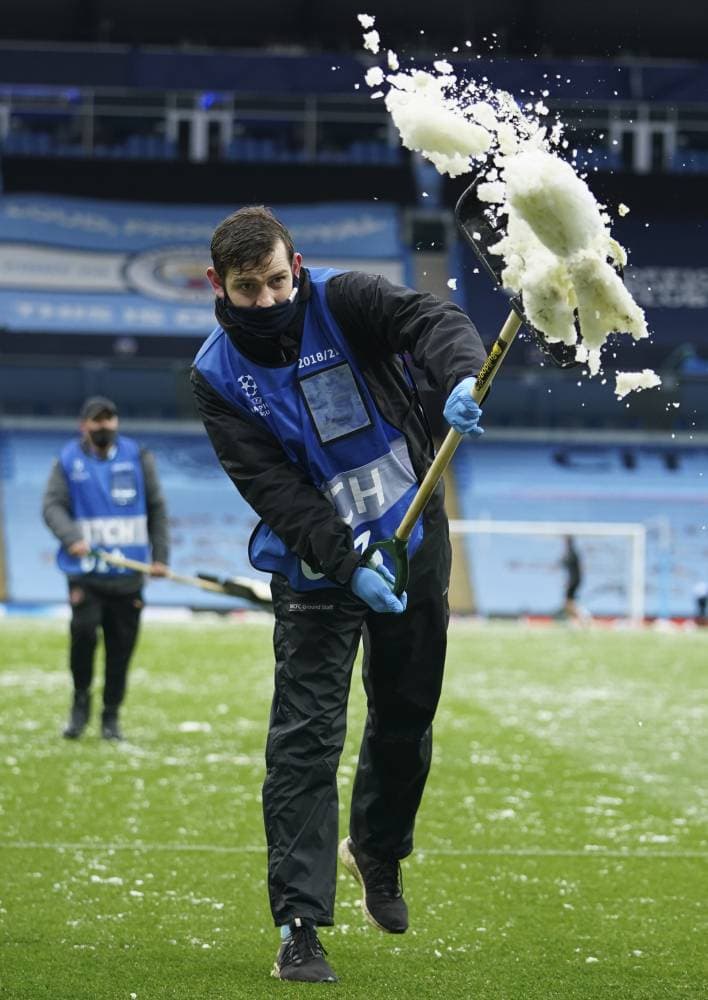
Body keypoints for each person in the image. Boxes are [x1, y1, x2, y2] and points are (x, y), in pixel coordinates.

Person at [191, 206, 486, 983]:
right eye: (248, 288)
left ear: (299, 265)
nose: (267, 299)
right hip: (318, 567)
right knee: (306, 740)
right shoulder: (216, 377)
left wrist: (458, 375)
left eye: (278, 280)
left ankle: (379, 854)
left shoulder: (347, 300)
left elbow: (431, 318)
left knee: (406, 714)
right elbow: (274, 489)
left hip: (414, 540)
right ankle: (299, 924)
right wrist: (345, 559)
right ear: (218, 285)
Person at [42, 396, 170, 741]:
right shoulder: (68, 460)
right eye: (97, 421)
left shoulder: (138, 457)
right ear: (84, 425)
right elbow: (52, 505)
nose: (104, 426)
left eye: (109, 419)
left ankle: (111, 715)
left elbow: (157, 509)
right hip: (86, 573)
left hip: (128, 577)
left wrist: (160, 558)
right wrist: (71, 537)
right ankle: (80, 702)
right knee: (82, 636)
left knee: (121, 650)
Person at [560, 535, 583, 621]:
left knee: (568, 602)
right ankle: (576, 619)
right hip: (574, 580)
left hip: (574, 581)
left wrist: (570, 581)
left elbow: (578, 569)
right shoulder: (570, 553)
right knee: (568, 602)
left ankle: (582, 618)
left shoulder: (572, 553)